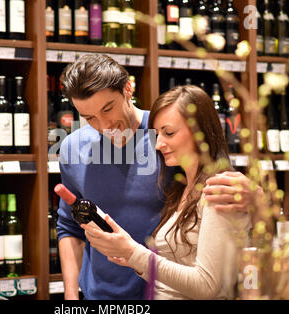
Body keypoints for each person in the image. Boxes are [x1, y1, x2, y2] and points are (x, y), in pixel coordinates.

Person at [56, 53, 258, 300]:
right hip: (100, 296)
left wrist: (255, 194)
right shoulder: (72, 148)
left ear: (128, 89)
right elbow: (69, 228)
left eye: (108, 108)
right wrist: (70, 296)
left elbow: (213, 176)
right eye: (89, 118)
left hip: (165, 290)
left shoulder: (165, 133)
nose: (104, 124)